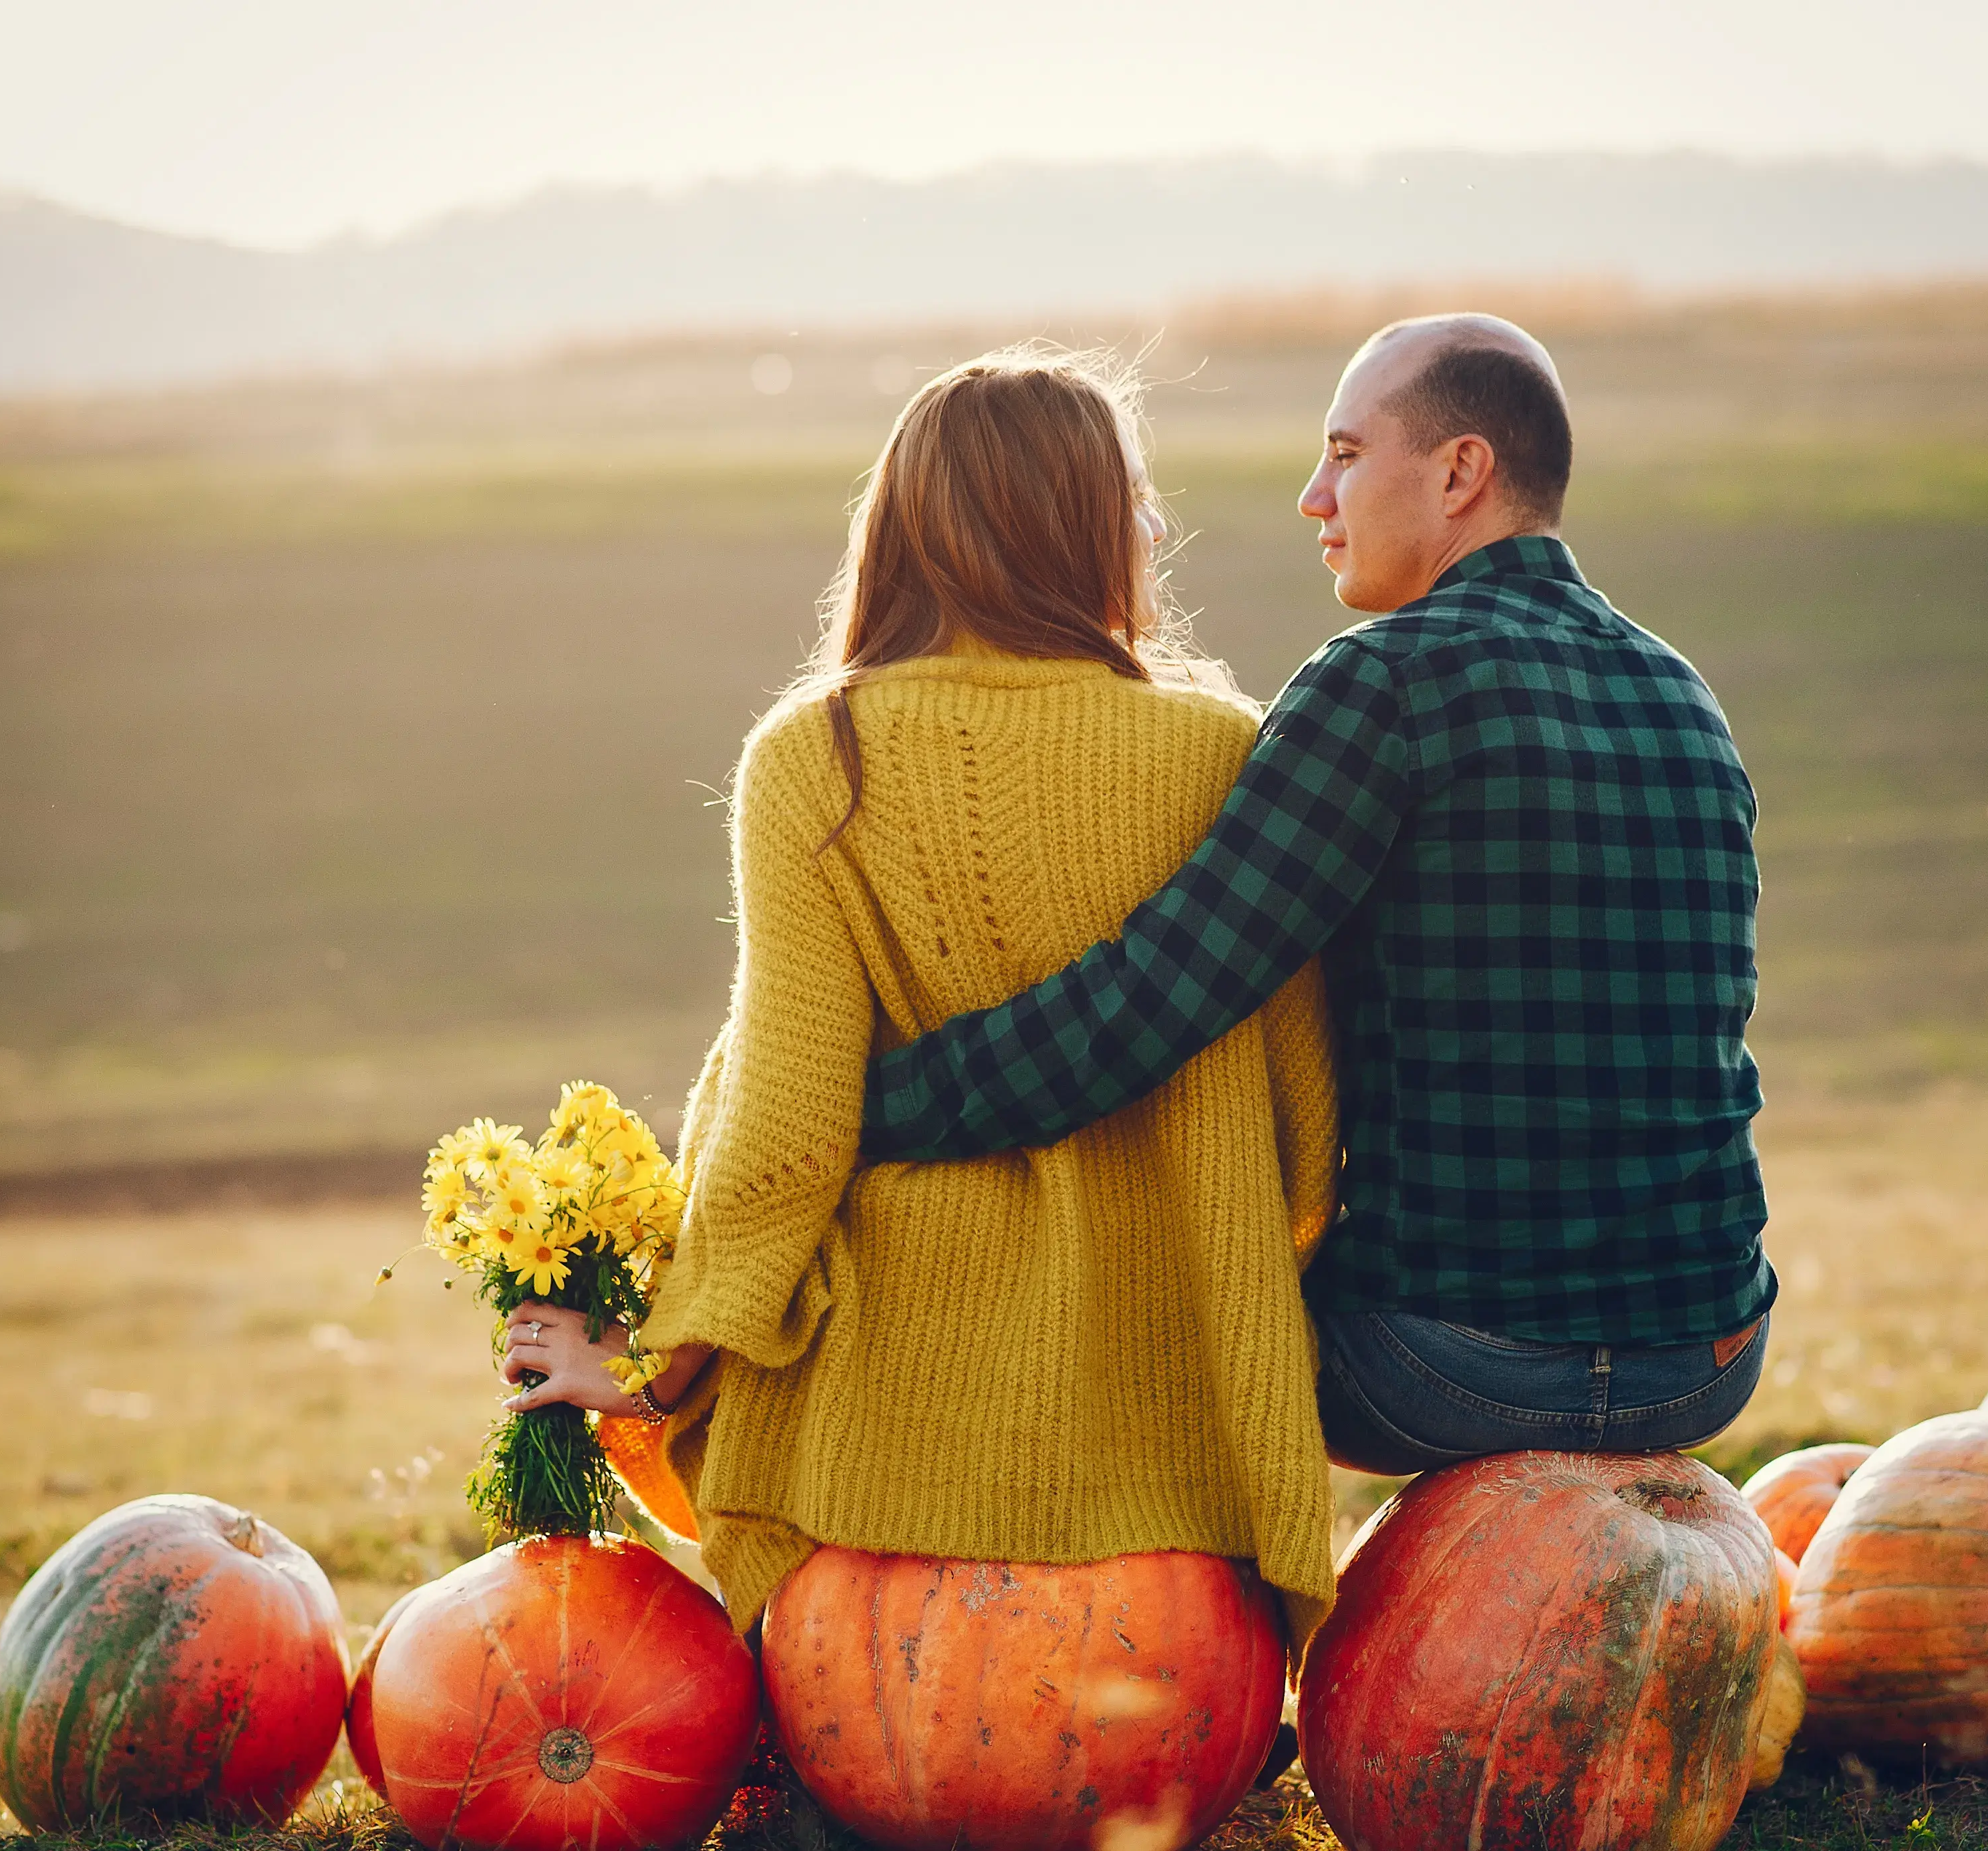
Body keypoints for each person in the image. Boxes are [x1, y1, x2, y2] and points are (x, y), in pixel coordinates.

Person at [493, 347, 1343, 1645]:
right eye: (1135, 501)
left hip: (886, 1451)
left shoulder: (811, 756)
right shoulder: (1224, 752)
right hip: (1171, 1430)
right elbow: (1304, 1117)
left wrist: (659, 1367)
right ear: (1068, 528)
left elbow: (785, 1117)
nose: (1154, 533)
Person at [846, 315, 1774, 1474]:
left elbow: (1155, 1000)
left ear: (1460, 472)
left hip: (1443, 1364)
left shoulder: (1381, 682)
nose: (1312, 498)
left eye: (1344, 453)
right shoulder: (1680, 694)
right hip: (1706, 1352)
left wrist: (872, 1110)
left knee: (1126, 1331)